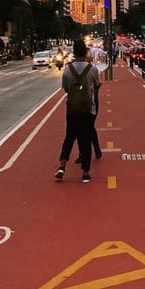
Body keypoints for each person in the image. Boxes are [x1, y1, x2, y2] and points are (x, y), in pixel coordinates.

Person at [55, 39, 100, 183]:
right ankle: (85, 172)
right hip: (88, 109)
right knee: (85, 139)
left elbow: (66, 88)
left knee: (69, 138)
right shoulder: (92, 69)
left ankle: (62, 166)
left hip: (72, 109)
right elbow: (95, 86)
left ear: (74, 52)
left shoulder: (68, 69)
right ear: (85, 52)